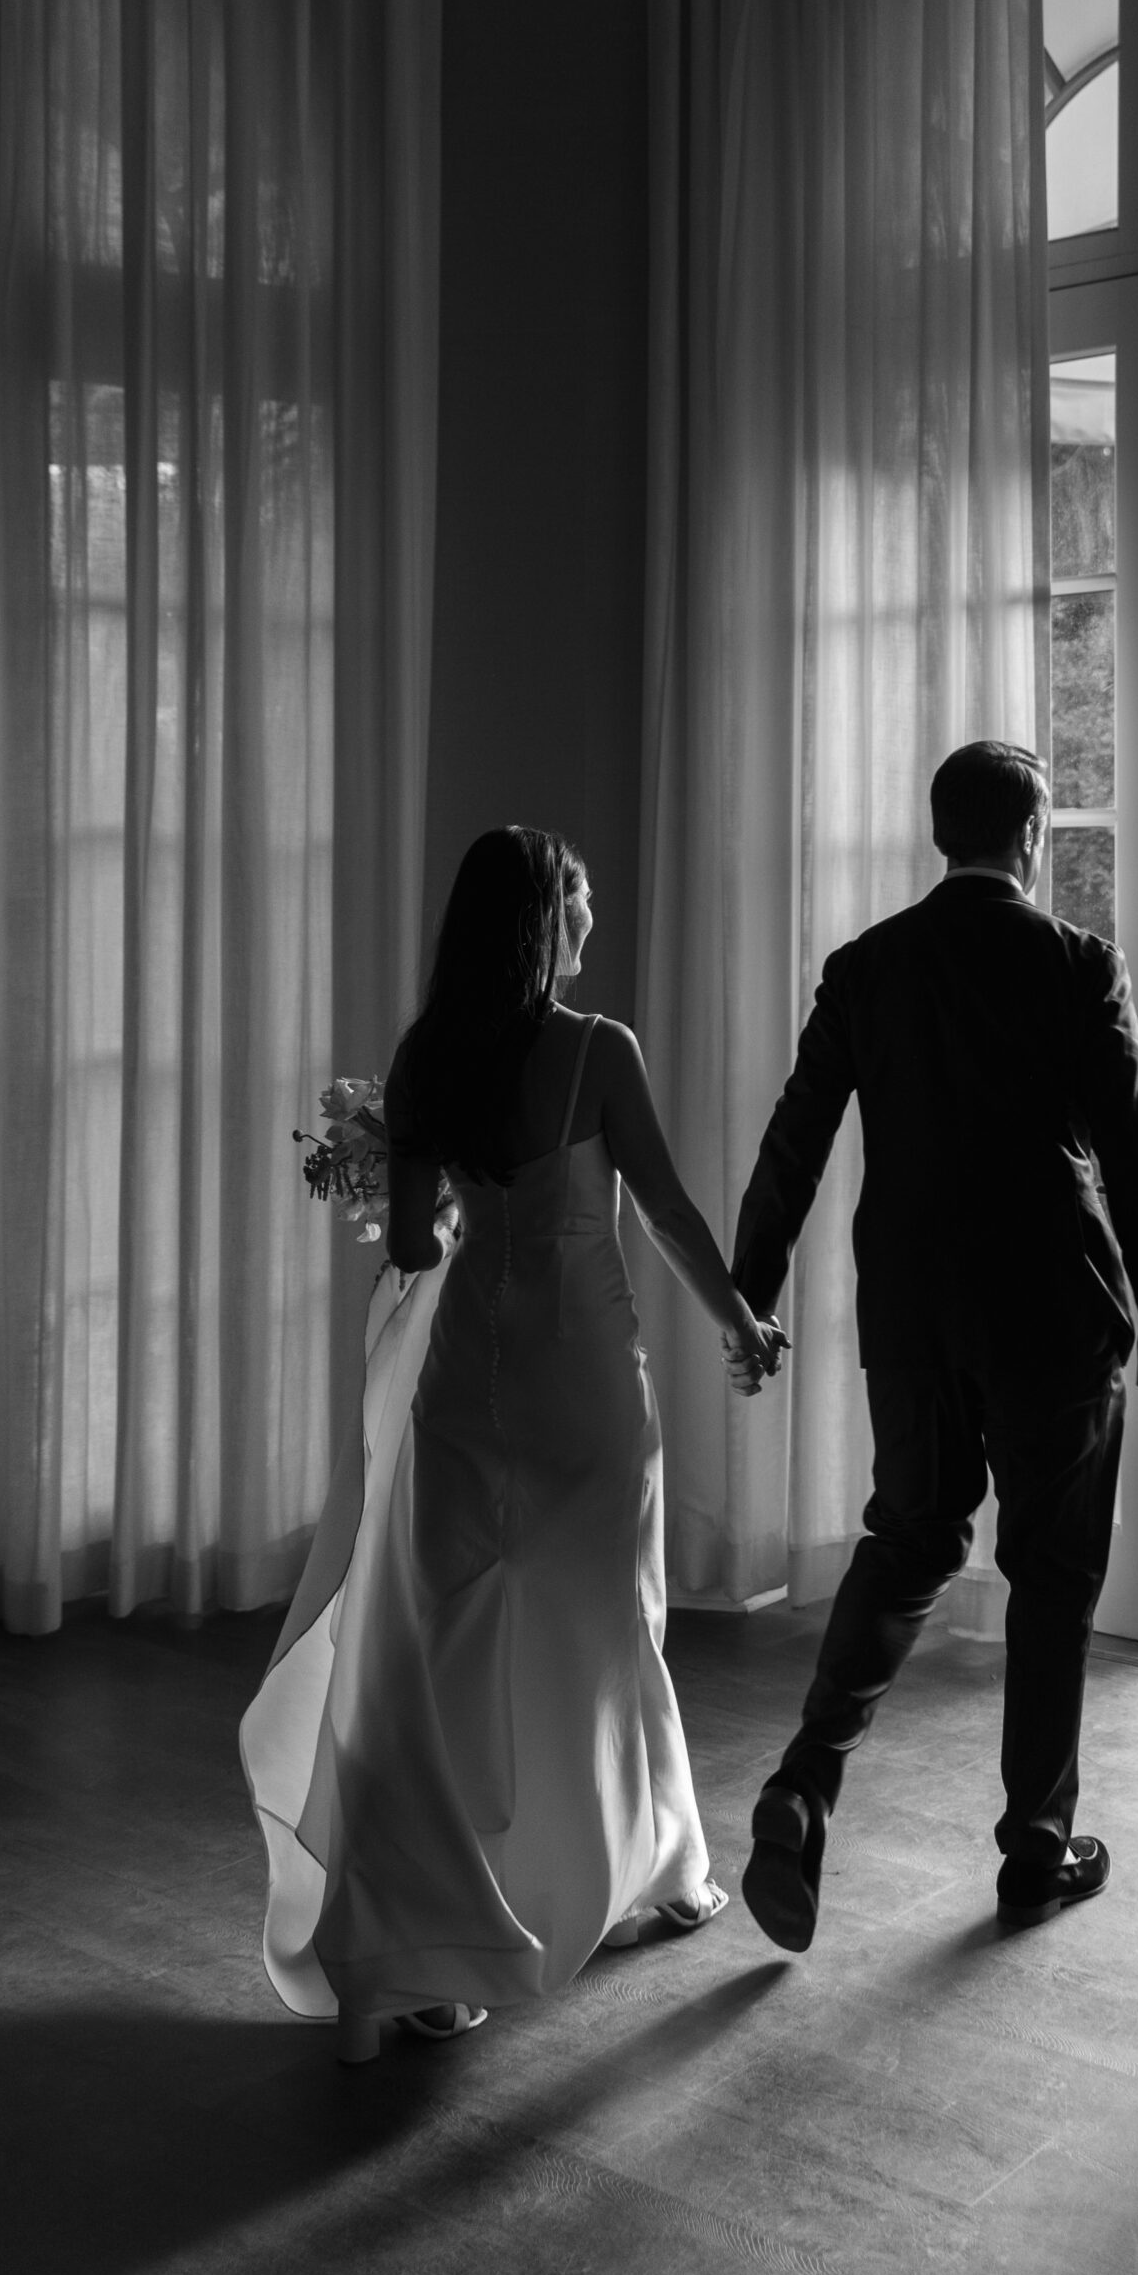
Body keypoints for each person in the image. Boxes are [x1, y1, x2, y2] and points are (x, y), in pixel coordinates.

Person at [241, 826, 785, 2061]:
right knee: (601, 1625)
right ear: (547, 921)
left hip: (470, 1387)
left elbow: (421, 1250)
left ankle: (439, 1948)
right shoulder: (598, 1051)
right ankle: (645, 1874)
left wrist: (418, 1193)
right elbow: (668, 1210)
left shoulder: (429, 1053)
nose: (590, 928)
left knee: (445, 1638)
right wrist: (742, 1320)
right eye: (580, 908)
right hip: (587, 1386)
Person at [726, 740, 1138, 1949]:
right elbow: (1136, 1151)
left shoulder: (867, 966)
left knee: (913, 1531)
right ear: (1031, 831)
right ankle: (1037, 1841)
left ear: (944, 833)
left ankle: (805, 1782)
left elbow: (795, 1141)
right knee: (1053, 1572)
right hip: (1055, 1309)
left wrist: (750, 1292)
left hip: (916, 1312)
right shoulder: (1079, 963)